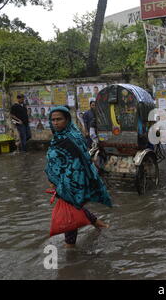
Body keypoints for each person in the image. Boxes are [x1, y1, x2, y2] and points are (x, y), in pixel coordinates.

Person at [45, 106, 111, 248]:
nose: (55, 122)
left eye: (59, 119)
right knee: (74, 207)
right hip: (61, 181)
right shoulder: (58, 137)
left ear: (67, 120)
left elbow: (81, 160)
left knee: (70, 211)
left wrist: (65, 180)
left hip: (73, 180)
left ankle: (70, 246)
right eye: (53, 120)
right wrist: (53, 179)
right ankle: (97, 223)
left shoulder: (72, 137)